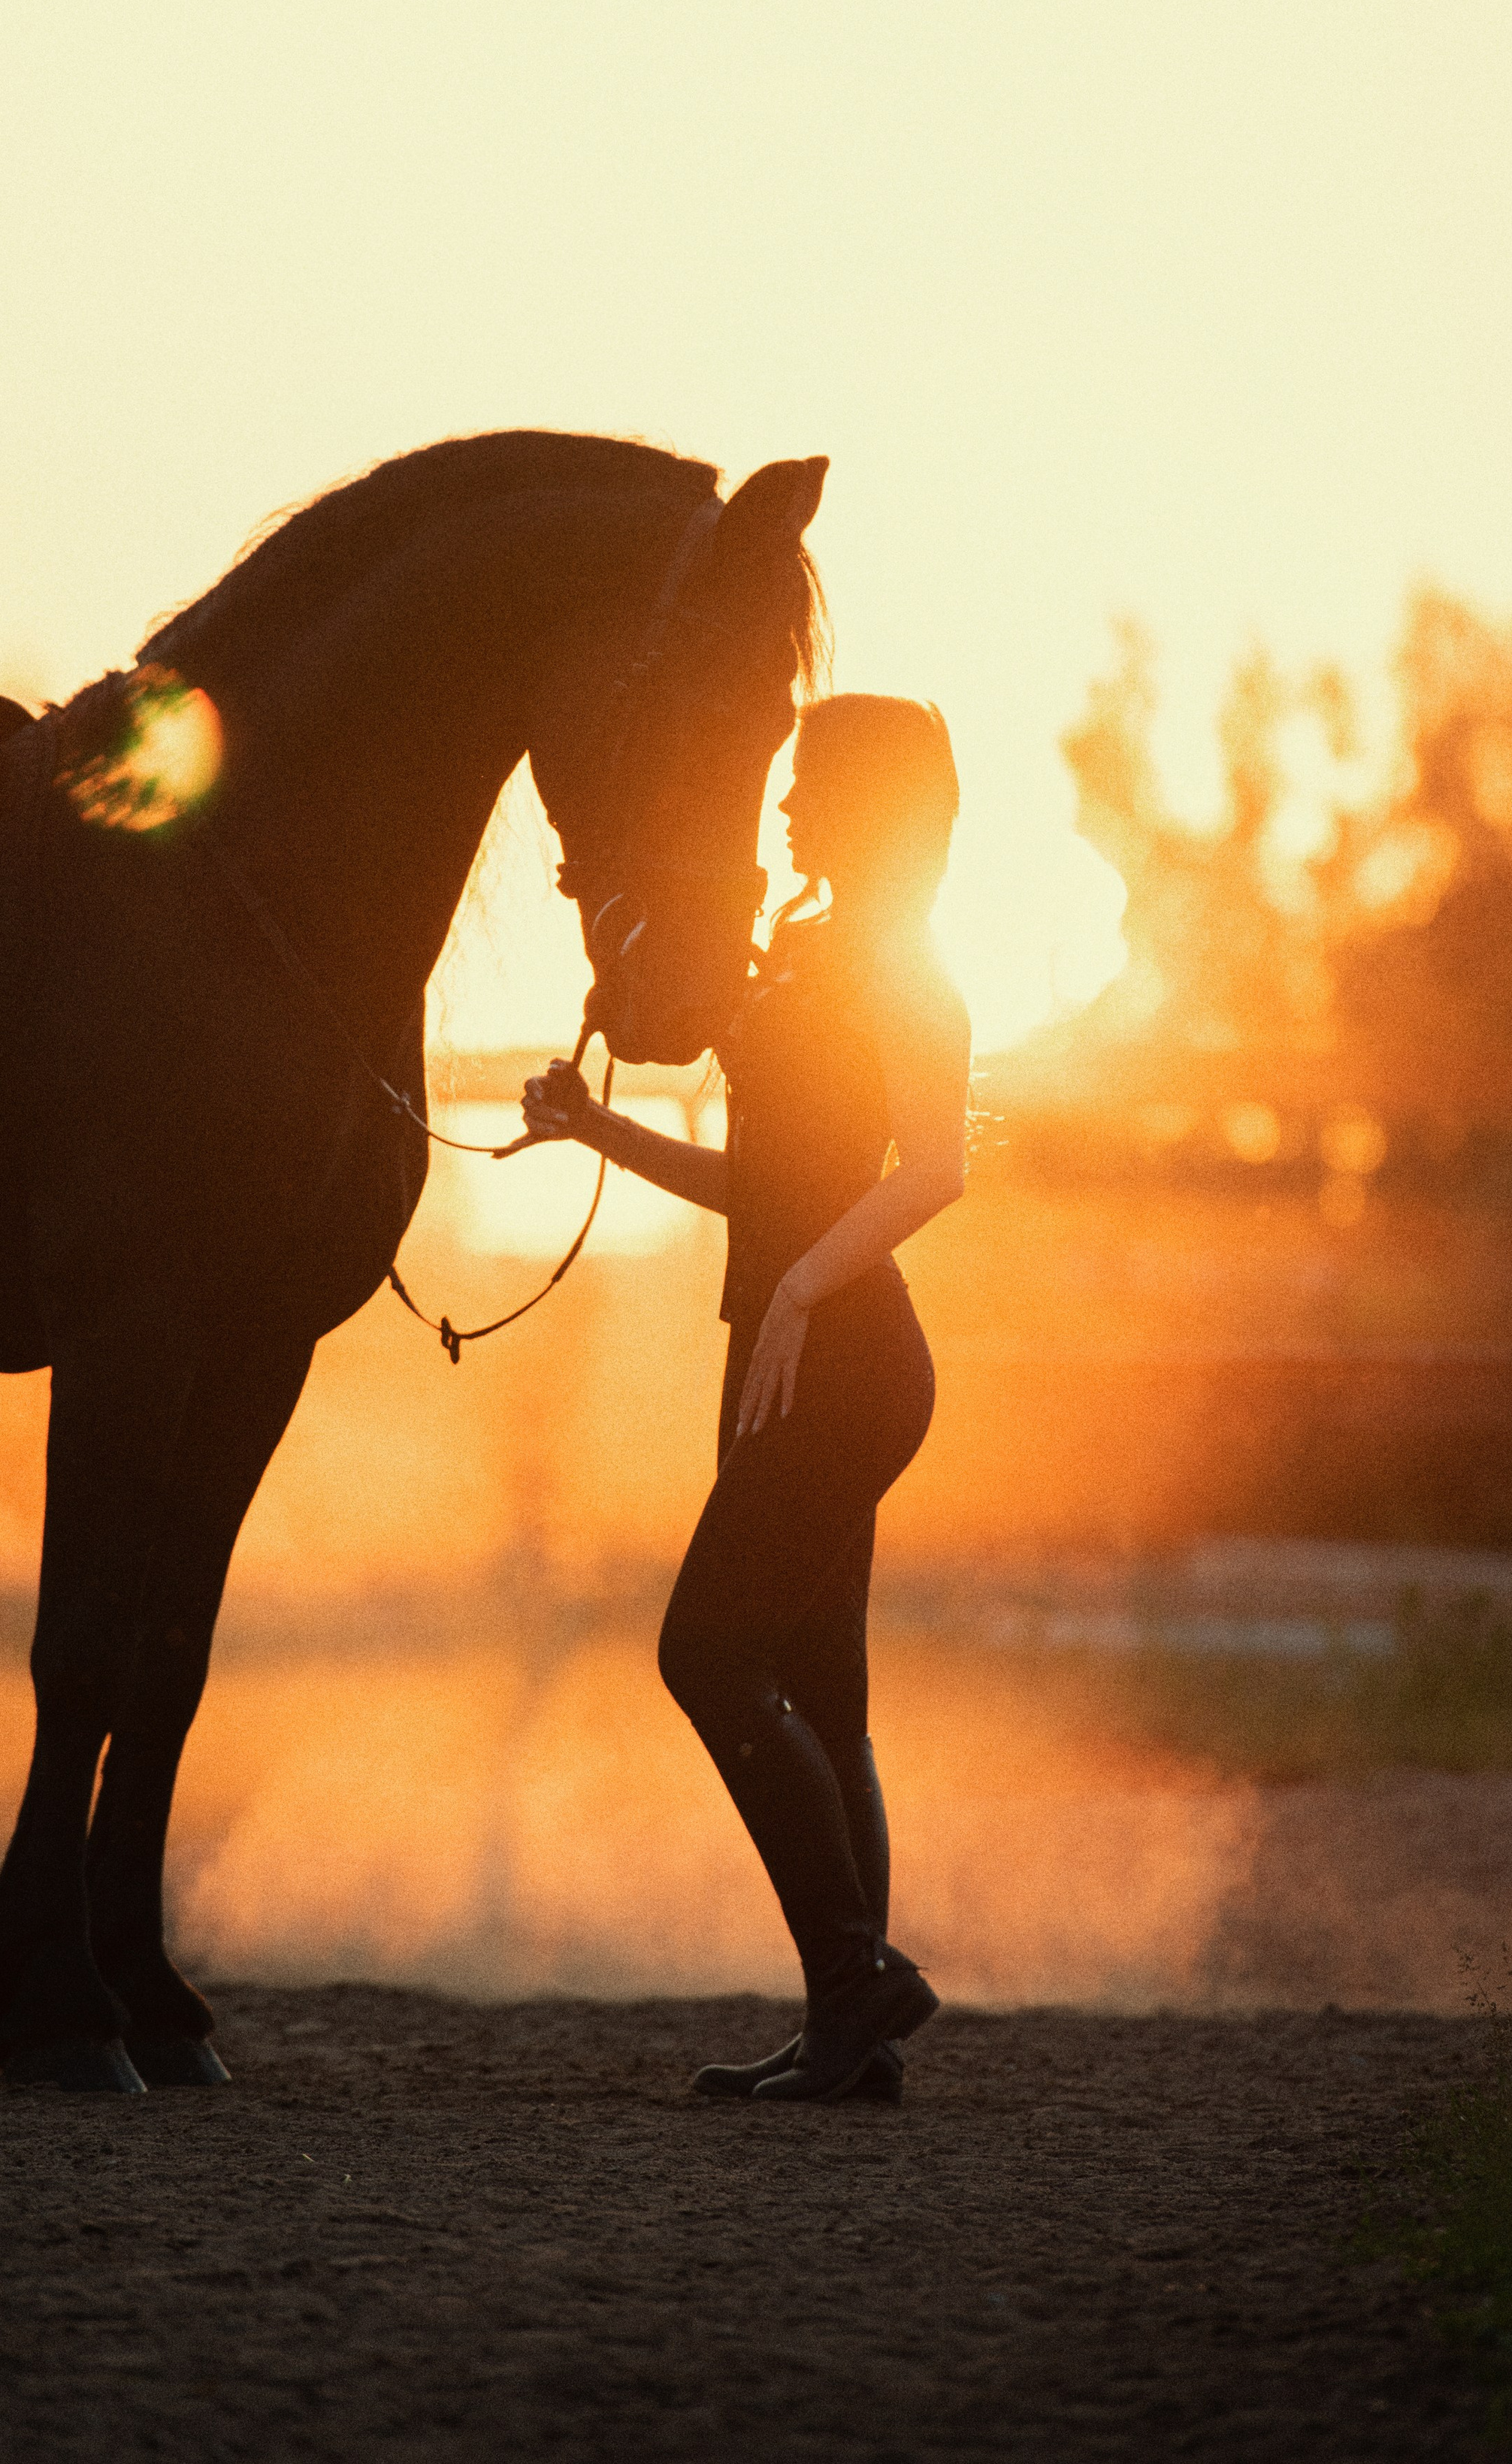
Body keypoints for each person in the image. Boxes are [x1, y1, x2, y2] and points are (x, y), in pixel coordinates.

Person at [522, 694, 970, 2102]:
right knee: (825, 1698)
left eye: (805, 790)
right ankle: (847, 2035)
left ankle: (854, 1977)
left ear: (868, 807)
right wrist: (600, 1127)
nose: (779, 813)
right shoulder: (809, 960)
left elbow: (937, 1168)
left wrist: (796, 1291)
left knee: (705, 1655)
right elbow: (760, 1187)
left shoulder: (905, 971)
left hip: (840, 1359)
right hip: (782, 1353)